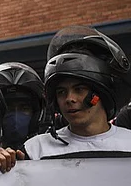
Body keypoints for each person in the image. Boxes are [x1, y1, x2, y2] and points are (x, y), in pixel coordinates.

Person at [23, 26, 131, 159]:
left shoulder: (128, 143)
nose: (69, 99)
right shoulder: (35, 149)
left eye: (79, 89)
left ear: (101, 93)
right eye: (61, 92)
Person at [0, 62, 45, 152]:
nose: (16, 116)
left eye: (24, 108)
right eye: (8, 109)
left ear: (36, 114)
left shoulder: (48, 153)